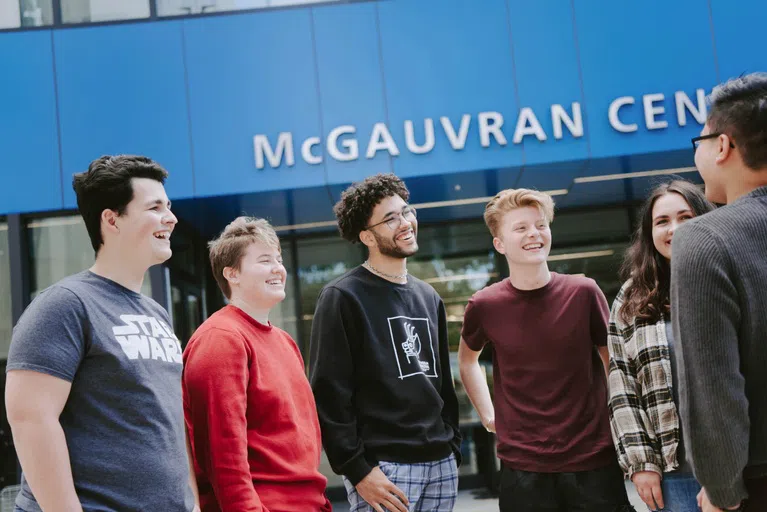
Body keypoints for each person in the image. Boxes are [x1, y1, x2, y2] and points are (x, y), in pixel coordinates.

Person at [5, 155, 198, 511]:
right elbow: (31, 419)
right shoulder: (64, 305)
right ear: (112, 219)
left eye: (168, 206)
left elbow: (169, 424)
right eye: (155, 207)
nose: (170, 218)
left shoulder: (156, 313)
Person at [458, 188, 634, 512]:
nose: (534, 234)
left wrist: (621, 425)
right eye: (520, 227)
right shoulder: (484, 305)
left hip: (593, 460)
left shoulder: (584, 292)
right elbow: (467, 361)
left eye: (540, 224)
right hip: (523, 468)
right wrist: (488, 416)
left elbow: (614, 362)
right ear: (499, 243)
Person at [309, 173, 462, 512]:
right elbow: (328, 393)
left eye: (407, 212)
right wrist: (358, 469)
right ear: (367, 236)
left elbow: (441, 383)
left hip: (440, 463)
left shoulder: (429, 296)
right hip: (385, 470)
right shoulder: (342, 297)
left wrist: (453, 446)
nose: (405, 222)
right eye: (390, 218)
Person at [182, 217, 331, 512]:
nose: (278, 268)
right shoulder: (221, 339)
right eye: (265, 260)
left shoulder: (284, 341)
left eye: (279, 258)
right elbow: (224, 456)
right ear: (232, 274)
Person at [671, 73, 767, 512]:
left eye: (700, 140)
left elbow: (714, 389)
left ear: (723, 146)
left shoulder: (704, 239)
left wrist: (722, 491)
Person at [608, 180, 714, 512]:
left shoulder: (726, 276)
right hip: (672, 473)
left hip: (738, 464)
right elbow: (621, 385)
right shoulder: (632, 296)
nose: (675, 229)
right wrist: (641, 462)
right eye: (662, 221)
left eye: (686, 216)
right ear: (649, 232)